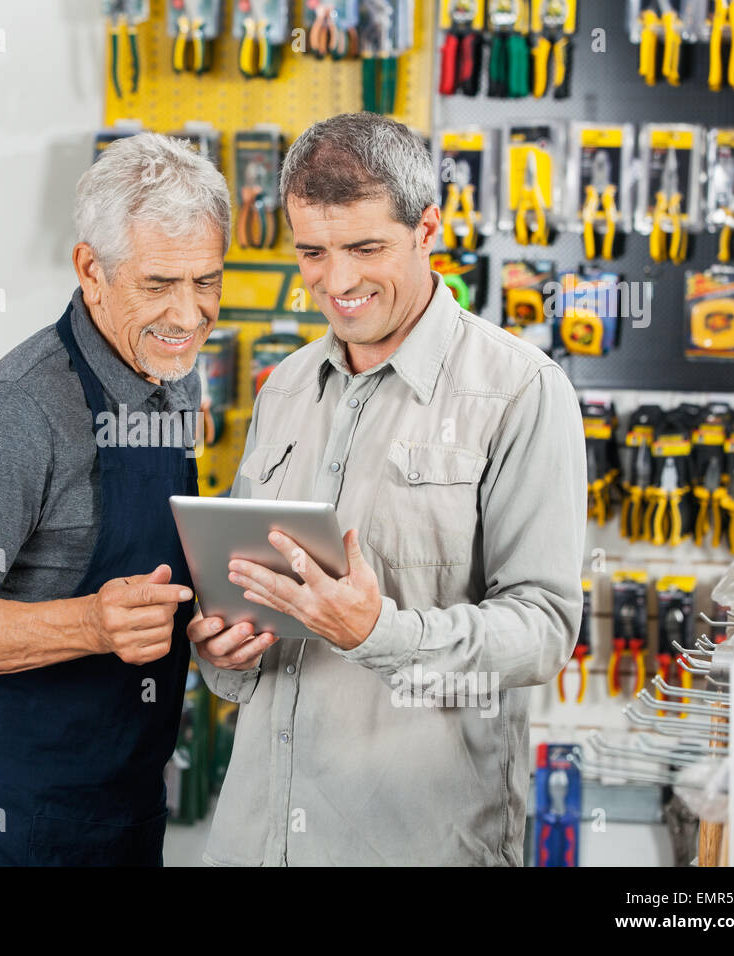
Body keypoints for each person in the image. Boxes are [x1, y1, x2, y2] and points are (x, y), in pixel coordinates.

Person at [189, 113, 587, 866]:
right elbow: (240, 607)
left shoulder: (521, 392)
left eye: (366, 248)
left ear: (427, 227)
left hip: (412, 843)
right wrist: (223, 648)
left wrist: (379, 633)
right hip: (254, 837)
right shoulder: (286, 390)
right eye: (313, 251)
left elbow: (542, 631)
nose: (336, 282)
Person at [0, 132, 229, 866]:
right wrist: (90, 624)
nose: (189, 314)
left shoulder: (174, 378)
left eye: (207, 280)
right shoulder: (23, 409)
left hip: (119, 804)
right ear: (91, 270)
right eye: (160, 284)